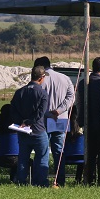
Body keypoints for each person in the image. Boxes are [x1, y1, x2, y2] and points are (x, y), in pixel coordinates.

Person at [33, 56, 75, 187]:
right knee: (59, 152)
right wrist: (60, 110)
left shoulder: (40, 80)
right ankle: (59, 180)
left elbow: (35, 101)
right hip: (61, 119)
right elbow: (71, 97)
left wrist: (48, 113)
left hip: (43, 120)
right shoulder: (65, 78)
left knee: (42, 151)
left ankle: (41, 180)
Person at [10, 65, 50, 186]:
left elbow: (13, 110)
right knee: (42, 158)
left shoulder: (19, 92)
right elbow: (40, 113)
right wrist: (29, 121)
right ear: (41, 77)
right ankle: (40, 182)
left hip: (23, 131)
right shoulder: (42, 93)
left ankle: (21, 181)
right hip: (38, 130)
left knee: (23, 159)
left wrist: (22, 122)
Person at [74, 56, 100, 185]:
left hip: (87, 121)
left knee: (89, 153)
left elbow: (78, 102)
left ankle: (88, 180)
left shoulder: (83, 83)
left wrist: (79, 119)